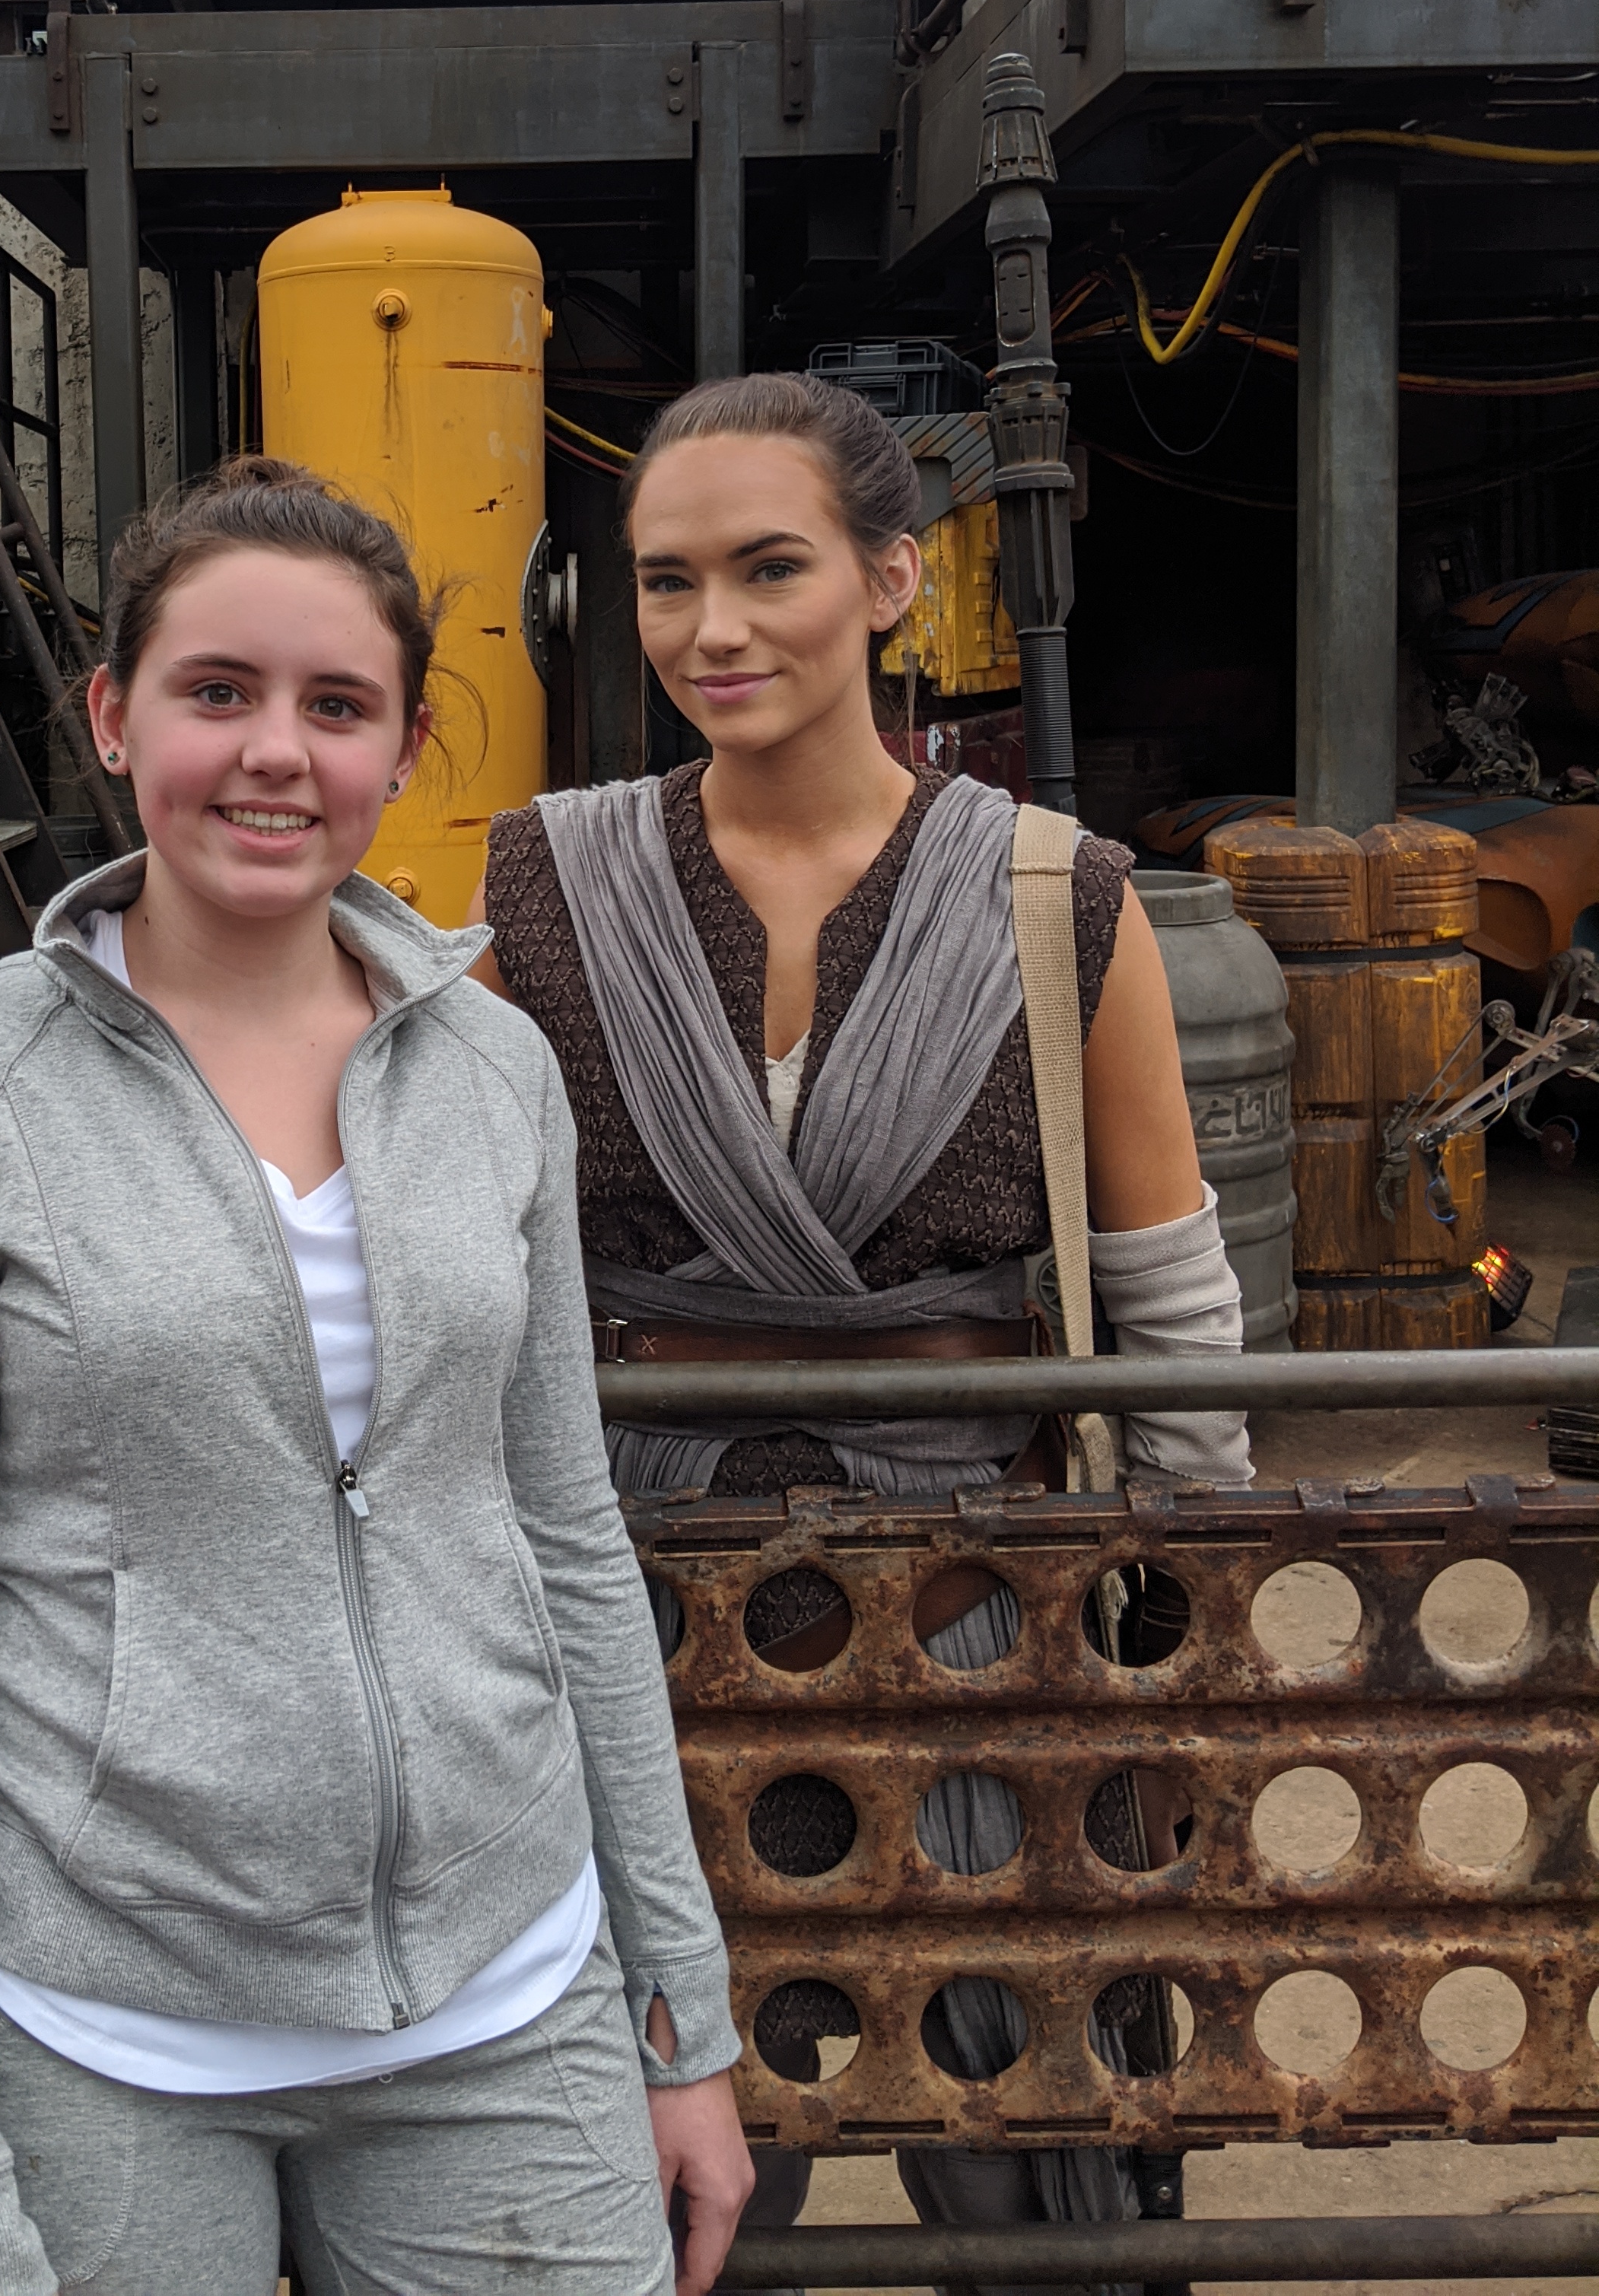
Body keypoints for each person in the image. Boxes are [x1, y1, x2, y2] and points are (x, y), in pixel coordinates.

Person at [0, 456, 754, 2296]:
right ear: (114, 716)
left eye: (337, 706)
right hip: (107, 2028)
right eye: (217, 690)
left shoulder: (495, 1075)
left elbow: (566, 1540)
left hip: (507, 1996)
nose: (273, 754)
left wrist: (677, 2010)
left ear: (404, 752)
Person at [471, 373, 1252, 2296]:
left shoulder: (1060, 898)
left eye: (771, 569)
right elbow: (419, 1229)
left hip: (976, 1609)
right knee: (680, 2163)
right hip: (647, 1617)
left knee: (1020, 2144)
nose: (712, 630)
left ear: (894, 579)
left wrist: (1192, 1622)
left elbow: (1167, 1299)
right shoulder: (547, 887)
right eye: (667, 582)